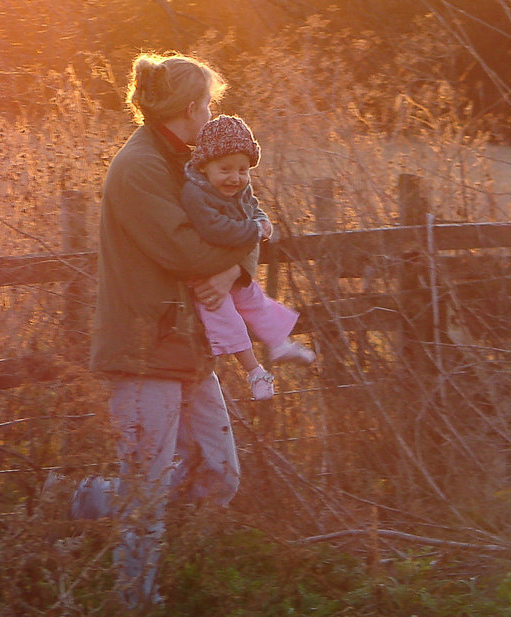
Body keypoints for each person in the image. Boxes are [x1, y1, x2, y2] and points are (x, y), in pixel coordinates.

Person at [81, 52, 258, 609]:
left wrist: (236, 265)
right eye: (208, 104)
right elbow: (185, 248)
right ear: (190, 107)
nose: (212, 113)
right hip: (141, 348)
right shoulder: (140, 168)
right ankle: (136, 599)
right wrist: (243, 247)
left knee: (219, 474)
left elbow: (245, 221)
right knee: (146, 492)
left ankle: (89, 501)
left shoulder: (187, 162)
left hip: (184, 345)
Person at [179, 114, 315, 402]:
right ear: (204, 166)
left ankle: (279, 342)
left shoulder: (241, 189)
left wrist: (263, 222)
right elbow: (213, 229)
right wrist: (254, 230)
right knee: (226, 318)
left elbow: (252, 209)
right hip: (203, 272)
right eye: (225, 169)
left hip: (229, 267)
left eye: (243, 170)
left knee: (254, 300)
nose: (235, 178)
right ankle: (254, 372)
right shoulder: (195, 193)